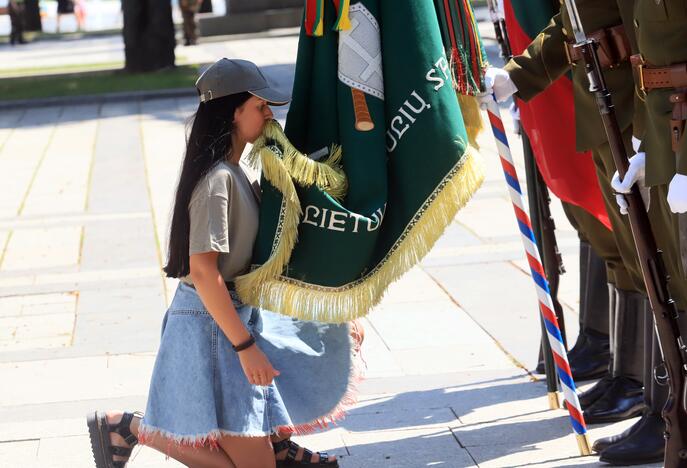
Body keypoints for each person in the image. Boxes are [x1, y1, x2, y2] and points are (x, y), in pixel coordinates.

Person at [86, 59, 356, 468]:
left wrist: (328, 314)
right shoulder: (217, 181)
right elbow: (202, 271)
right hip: (212, 332)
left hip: (228, 322)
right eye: (260, 106)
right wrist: (245, 348)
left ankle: (134, 427)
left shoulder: (236, 173)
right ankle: (132, 427)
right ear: (234, 111)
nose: (270, 116)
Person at [482, 0, 648, 427]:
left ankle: (655, 392)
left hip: (645, 113)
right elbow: (576, 18)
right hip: (607, 110)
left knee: (659, 261)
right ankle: (635, 380)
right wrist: (517, 76)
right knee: (633, 253)